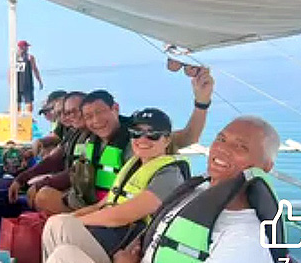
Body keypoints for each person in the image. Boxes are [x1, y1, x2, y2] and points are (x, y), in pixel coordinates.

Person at [42, 116, 280, 263]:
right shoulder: (197, 193)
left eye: (240, 147)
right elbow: (146, 242)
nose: (222, 150)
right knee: (60, 227)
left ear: (266, 166)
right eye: (221, 138)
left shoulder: (247, 239)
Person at [33, 69, 214, 214]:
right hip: (89, 203)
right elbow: (72, 171)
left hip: (116, 211)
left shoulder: (139, 137)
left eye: (100, 112)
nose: (96, 121)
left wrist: (202, 102)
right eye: (89, 116)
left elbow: (190, 136)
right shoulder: (88, 138)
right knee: (43, 196)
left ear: (115, 109)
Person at [42, 108, 190, 257]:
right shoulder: (133, 165)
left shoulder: (169, 175)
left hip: (127, 248)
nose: (143, 140)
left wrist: (75, 222)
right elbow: (102, 205)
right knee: (54, 224)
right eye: (136, 133)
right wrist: (69, 218)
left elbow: (122, 216)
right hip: (110, 235)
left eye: (153, 135)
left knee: (60, 232)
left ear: (167, 140)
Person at [32, 90, 68, 158]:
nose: (47, 115)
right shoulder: (62, 124)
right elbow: (56, 137)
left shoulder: (73, 126)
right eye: (59, 113)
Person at [16, 40, 43, 113]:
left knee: (27, 103)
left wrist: (39, 81)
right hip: (20, 83)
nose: (27, 48)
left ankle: (27, 117)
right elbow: (35, 69)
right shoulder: (16, 58)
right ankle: (21, 117)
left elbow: (35, 69)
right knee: (18, 102)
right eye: (26, 47)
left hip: (25, 83)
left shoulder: (29, 57)